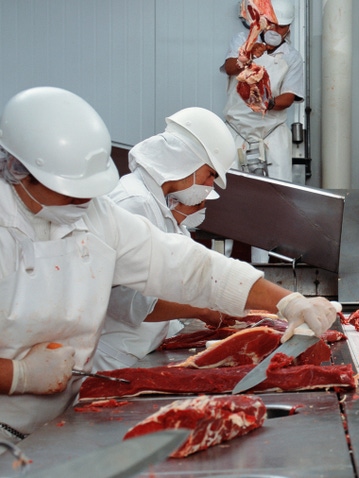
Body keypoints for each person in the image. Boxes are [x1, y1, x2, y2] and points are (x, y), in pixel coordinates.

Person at [0, 87, 338, 439]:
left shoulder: (96, 216)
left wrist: (286, 301)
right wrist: (18, 374)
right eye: (70, 189)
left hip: (60, 420)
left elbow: (185, 265)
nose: (83, 200)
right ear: (18, 170)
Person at [92, 107, 240, 371]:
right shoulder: (133, 202)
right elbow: (127, 303)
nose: (210, 185)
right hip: (114, 359)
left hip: (139, 352)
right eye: (211, 174)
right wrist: (203, 309)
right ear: (187, 161)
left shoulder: (155, 204)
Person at [222, 0, 304, 181]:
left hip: (271, 133)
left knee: (277, 191)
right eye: (271, 24)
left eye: (281, 27)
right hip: (236, 130)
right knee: (233, 191)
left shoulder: (292, 57)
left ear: (289, 27)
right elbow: (229, 68)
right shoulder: (242, 40)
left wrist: (267, 102)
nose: (275, 30)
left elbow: (289, 97)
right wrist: (248, 55)